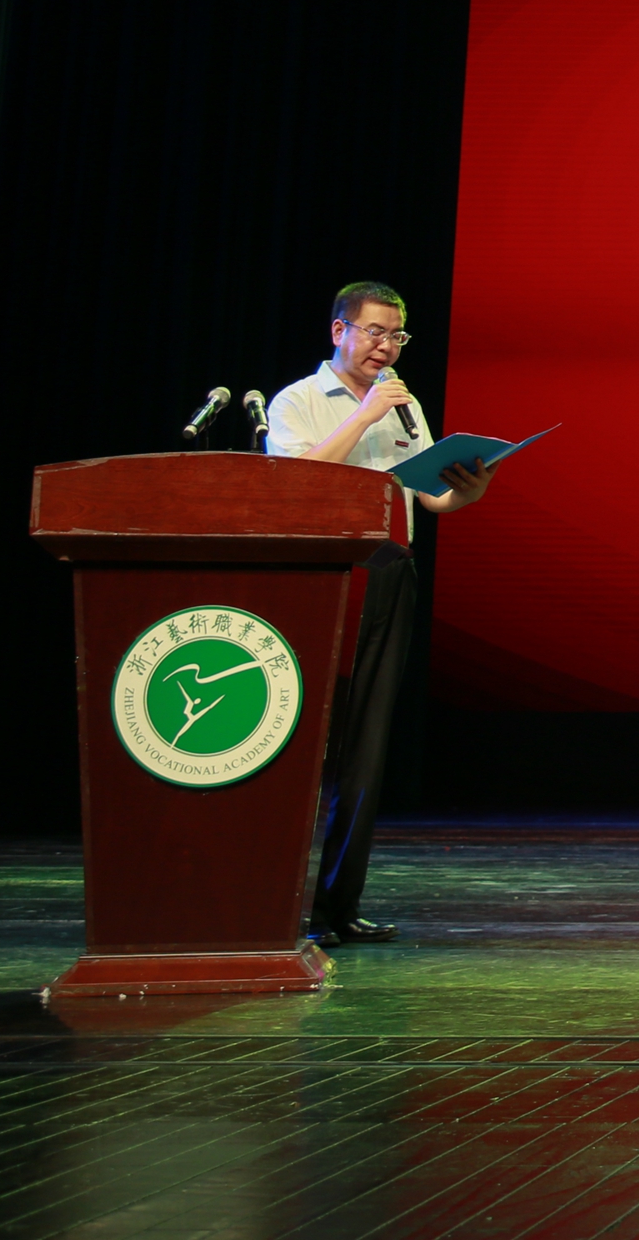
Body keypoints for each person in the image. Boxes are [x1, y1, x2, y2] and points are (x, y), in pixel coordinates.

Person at [267, 280, 497, 945]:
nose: (387, 347)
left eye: (396, 335)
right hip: (323, 580)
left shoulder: (404, 401)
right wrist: (364, 415)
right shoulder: (300, 401)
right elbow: (293, 485)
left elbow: (428, 497)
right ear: (338, 330)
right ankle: (269, 904)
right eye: (374, 332)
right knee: (304, 742)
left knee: (366, 750)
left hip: (390, 573)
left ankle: (337, 908)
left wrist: (469, 491)